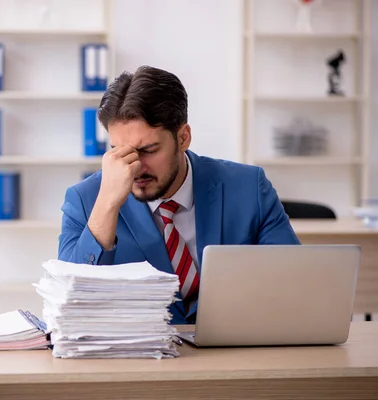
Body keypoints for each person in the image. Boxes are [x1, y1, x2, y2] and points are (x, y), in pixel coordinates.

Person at [57, 65, 300, 324]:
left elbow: (293, 282)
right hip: (137, 359)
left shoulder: (249, 187)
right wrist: (107, 204)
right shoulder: (85, 200)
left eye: (148, 149)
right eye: (120, 151)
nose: (135, 167)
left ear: (183, 138)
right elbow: (68, 301)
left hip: (234, 350)